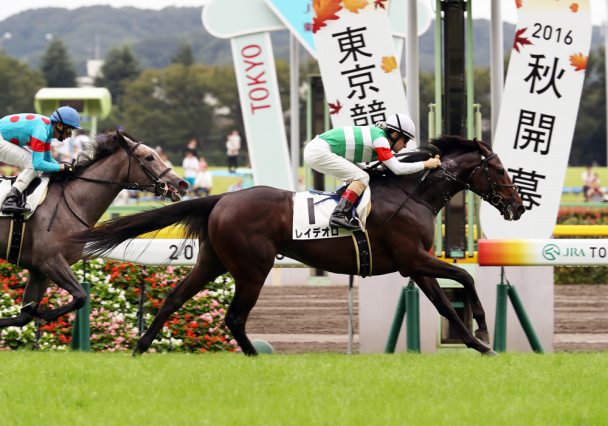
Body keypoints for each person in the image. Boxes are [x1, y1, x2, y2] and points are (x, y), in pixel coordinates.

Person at [303, 113, 441, 230]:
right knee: (362, 177)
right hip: (319, 151)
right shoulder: (381, 140)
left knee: (365, 174)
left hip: (321, 149)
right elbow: (397, 169)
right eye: (405, 140)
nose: (405, 146)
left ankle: (346, 209)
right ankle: (339, 214)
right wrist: (426, 164)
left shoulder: (381, 136)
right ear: (394, 134)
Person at [0, 106, 80, 214]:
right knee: (32, 163)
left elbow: (47, 159)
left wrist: (64, 166)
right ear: (60, 126)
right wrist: (61, 167)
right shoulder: (41, 131)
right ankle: (10, 200)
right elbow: (38, 164)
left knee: (33, 162)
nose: (69, 136)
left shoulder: (47, 129)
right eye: (69, 131)